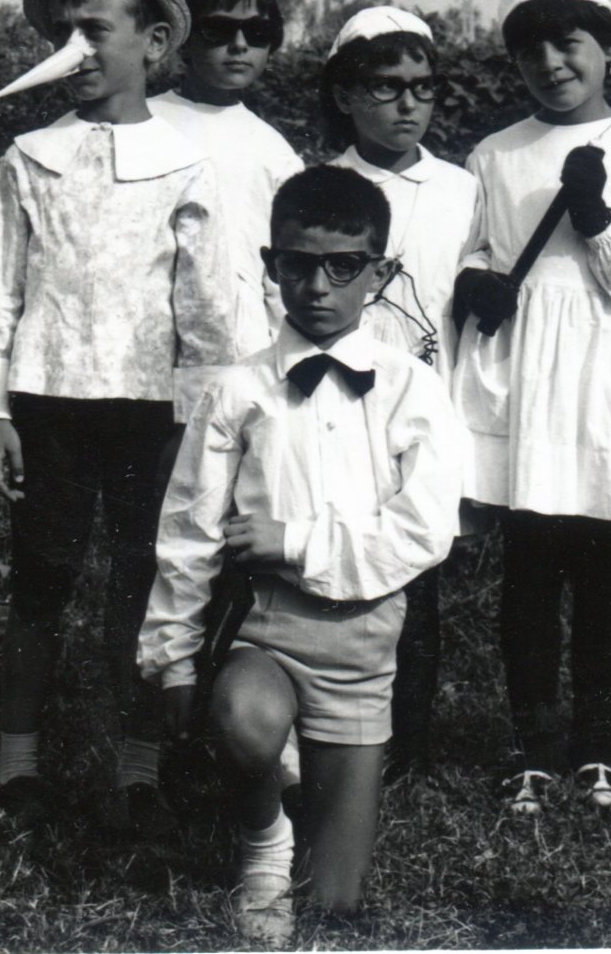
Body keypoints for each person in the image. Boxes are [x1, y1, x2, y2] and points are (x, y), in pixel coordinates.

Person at [143, 165, 468, 946]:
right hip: (265, 630)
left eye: (342, 266)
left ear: (379, 273)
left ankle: (310, 787)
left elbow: (425, 531)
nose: (317, 286)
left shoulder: (411, 389)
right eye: (297, 264)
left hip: (361, 646)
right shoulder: (237, 390)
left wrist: (295, 541)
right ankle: (261, 834)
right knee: (243, 720)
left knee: (335, 906)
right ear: (270, 264)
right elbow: (186, 530)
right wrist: (173, 658)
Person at [0, 0, 238, 835]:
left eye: (94, 30)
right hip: (48, 401)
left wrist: (206, 425)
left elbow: (206, 309)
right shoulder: (28, 157)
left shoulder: (185, 162)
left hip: (148, 410)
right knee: (43, 579)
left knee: (144, 580)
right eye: (61, 32)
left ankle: (137, 770)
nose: (73, 48)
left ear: (154, 42)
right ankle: (18, 765)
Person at [450, 0, 611, 813]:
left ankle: (596, 750)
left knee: (601, 574)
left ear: (608, 51)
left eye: (569, 42)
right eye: (530, 50)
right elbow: (475, 249)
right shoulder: (494, 153)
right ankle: (530, 748)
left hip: (602, 381)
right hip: (524, 380)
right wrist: (476, 280)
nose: (551, 63)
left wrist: (597, 221)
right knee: (528, 570)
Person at [320, 6, 482, 776]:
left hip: (428, 410)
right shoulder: (318, 186)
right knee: (338, 566)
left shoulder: (459, 190)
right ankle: (335, 729)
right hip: (339, 406)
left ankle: (405, 744)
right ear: (347, 95)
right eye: (385, 87)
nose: (408, 104)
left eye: (421, 87)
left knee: (416, 579)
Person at [151, 0, 306, 348]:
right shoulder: (142, 123)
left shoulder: (275, 152)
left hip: (244, 352)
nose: (239, 45)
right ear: (182, 38)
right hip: (147, 344)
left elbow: (284, 278)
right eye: (218, 30)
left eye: (256, 33)